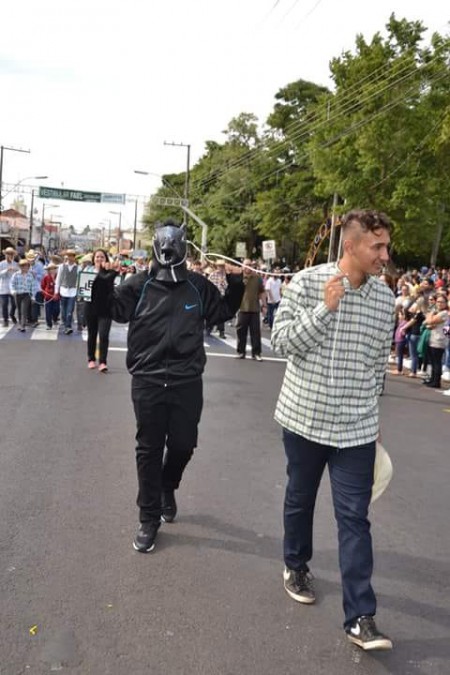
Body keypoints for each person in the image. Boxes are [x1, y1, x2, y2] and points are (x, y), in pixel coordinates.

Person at [271, 209, 395, 651]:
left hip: (356, 428)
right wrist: (324, 310)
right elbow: (281, 342)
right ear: (350, 246)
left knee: (354, 519)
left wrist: (374, 419)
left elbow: (378, 364)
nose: (385, 255)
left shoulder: (385, 300)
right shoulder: (307, 283)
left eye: (386, 246)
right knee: (300, 499)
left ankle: (361, 616)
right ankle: (295, 564)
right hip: (304, 419)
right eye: (376, 246)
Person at [92, 220, 244, 553]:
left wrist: (234, 283)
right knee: (148, 448)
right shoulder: (139, 284)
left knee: (184, 444)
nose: (169, 251)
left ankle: (167, 486)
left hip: (187, 380)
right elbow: (111, 310)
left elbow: (223, 312)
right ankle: (149, 518)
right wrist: (103, 282)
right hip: (147, 380)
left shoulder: (198, 287)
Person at [84, 249, 113, 372]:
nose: (99, 259)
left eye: (102, 257)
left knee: (104, 335)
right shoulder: (87, 271)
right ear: (93, 259)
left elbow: (114, 288)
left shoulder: (109, 272)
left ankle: (103, 362)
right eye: (97, 257)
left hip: (106, 307)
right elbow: (82, 287)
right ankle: (91, 359)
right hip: (90, 306)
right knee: (92, 333)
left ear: (106, 259)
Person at [235, 259, 266, 361]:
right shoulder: (238, 277)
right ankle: (241, 352)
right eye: (246, 265)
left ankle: (256, 353)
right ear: (242, 266)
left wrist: (264, 305)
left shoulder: (257, 278)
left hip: (254, 309)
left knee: (255, 333)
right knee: (241, 332)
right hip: (242, 308)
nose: (248, 267)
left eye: (250, 265)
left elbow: (262, 292)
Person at [423, 295, 449, 388]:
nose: (439, 303)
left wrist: (431, 314)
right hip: (433, 338)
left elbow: (429, 321)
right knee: (433, 361)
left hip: (439, 340)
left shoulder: (444, 313)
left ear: (446, 303)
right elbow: (427, 323)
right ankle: (432, 379)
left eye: (441, 302)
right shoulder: (439, 312)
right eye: (438, 301)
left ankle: (436, 381)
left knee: (436, 361)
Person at [55, 249, 79, 334]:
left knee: (70, 310)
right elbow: (58, 279)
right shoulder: (61, 266)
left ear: (74, 257)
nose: (70, 257)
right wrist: (56, 291)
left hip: (73, 291)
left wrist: (79, 292)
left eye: (72, 256)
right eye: (69, 256)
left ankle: (68, 326)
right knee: (63, 310)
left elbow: (79, 281)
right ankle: (65, 324)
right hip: (63, 291)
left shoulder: (78, 268)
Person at [10, 259, 35, 332]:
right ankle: (20, 323)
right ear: (20, 267)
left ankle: (23, 325)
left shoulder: (30, 275)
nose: (25, 268)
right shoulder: (16, 274)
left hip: (26, 295)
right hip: (17, 294)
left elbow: (33, 287)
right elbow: (12, 284)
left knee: (24, 310)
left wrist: (33, 296)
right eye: (23, 266)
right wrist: (13, 291)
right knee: (19, 310)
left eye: (27, 266)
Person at [206, 259, 228, 338]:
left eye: (222, 266)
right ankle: (209, 328)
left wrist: (223, 282)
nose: (221, 268)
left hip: (222, 296)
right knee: (211, 312)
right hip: (214, 296)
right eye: (219, 266)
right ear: (217, 266)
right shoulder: (212, 274)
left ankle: (221, 331)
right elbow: (208, 285)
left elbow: (227, 287)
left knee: (221, 314)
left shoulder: (225, 276)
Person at [0, 246, 18, 326]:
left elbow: (19, 274)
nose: (9, 255)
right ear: (5, 255)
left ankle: (12, 314)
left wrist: (16, 270)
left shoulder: (16, 264)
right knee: (4, 305)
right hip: (4, 287)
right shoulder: (1, 263)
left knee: (14, 304)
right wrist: (6, 270)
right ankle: (5, 320)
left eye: (11, 254)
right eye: (8, 254)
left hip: (13, 287)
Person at [40, 262, 60, 329]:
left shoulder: (58, 276)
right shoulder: (46, 277)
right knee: (48, 311)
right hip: (48, 297)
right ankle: (49, 324)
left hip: (56, 297)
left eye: (54, 269)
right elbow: (42, 287)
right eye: (51, 269)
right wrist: (45, 293)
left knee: (56, 310)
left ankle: (55, 318)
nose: (52, 270)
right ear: (48, 270)